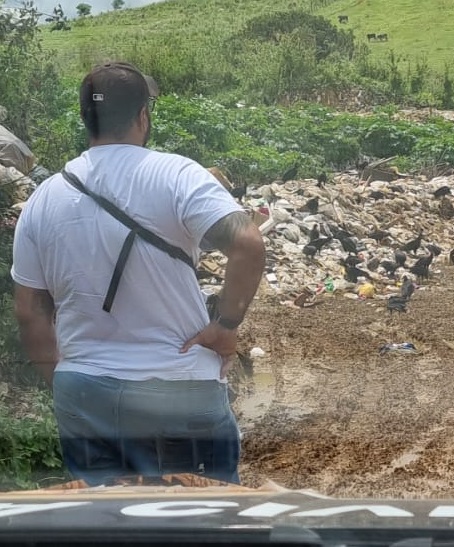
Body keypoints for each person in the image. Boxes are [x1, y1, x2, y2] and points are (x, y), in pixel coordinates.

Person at [11, 62, 265, 486]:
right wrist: (225, 326)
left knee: (104, 527)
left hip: (85, 389)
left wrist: (65, 380)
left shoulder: (44, 198)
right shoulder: (177, 175)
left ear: (84, 118)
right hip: (177, 386)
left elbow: (30, 311)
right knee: (206, 523)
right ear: (143, 116)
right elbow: (248, 244)